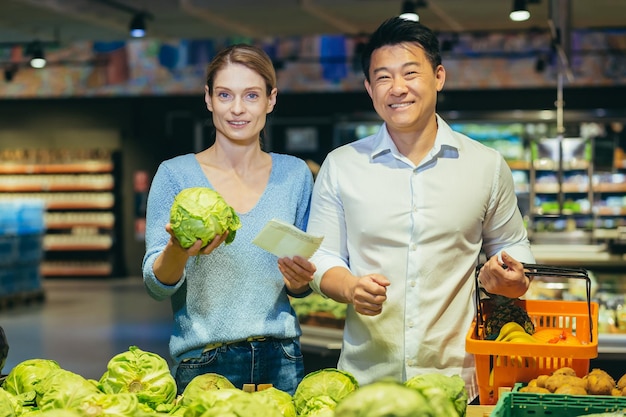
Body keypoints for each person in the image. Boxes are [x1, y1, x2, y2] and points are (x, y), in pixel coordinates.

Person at [306, 17, 535, 401]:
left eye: (410, 73)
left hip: (457, 382)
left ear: (439, 76)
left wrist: (512, 279)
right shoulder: (341, 165)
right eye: (383, 78)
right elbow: (323, 254)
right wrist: (349, 287)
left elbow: (514, 246)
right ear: (368, 88)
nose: (398, 88)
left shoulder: (486, 165)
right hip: (366, 383)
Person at [142, 44, 315, 396]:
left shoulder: (295, 174)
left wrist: (300, 280)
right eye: (225, 95)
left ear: (271, 99)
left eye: (251, 95)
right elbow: (156, 285)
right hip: (203, 362)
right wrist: (178, 248)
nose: (238, 109)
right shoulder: (175, 175)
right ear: (208, 99)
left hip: (281, 357)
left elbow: (299, 285)